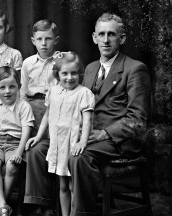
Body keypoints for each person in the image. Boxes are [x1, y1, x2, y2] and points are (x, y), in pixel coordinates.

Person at [68, 13, 151, 216]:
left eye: (111, 34)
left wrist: (103, 133)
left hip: (119, 141)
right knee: (45, 147)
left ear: (121, 38)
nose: (106, 40)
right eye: (101, 34)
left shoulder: (135, 69)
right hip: (91, 135)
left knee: (80, 156)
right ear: (94, 37)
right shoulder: (90, 68)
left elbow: (137, 121)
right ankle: (46, 207)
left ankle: (80, 214)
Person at [26, 52, 95, 216]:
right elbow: (47, 117)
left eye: (74, 73)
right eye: (65, 73)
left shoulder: (84, 93)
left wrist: (82, 142)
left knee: (72, 186)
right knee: (62, 186)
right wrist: (38, 136)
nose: (70, 77)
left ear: (79, 73)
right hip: (57, 146)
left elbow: (88, 121)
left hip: (72, 145)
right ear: (57, 74)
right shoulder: (53, 91)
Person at [0, 66, 34, 216]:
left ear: (19, 87)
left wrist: (20, 152)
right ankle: (2, 205)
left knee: (12, 166)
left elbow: (27, 130)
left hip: (16, 143)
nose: (7, 91)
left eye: (12, 86)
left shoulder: (24, 106)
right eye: (2, 87)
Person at [20, 19, 59, 136]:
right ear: (33, 41)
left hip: (55, 106)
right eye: (39, 39)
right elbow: (23, 91)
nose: (43, 43)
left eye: (48, 39)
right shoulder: (28, 63)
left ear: (56, 40)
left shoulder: (62, 60)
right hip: (32, 107)